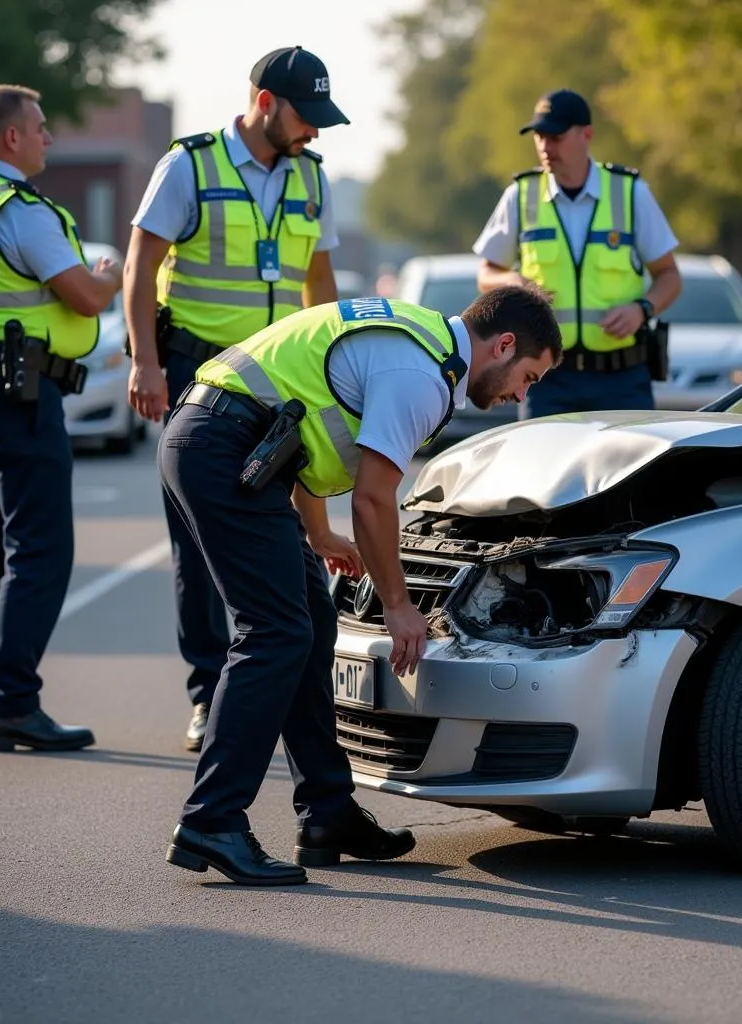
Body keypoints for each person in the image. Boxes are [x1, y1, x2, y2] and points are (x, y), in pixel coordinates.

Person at [160, 286, 561, 885]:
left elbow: (300, 422)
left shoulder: (419, 342)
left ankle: (327, 813)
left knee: (311, 625)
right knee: (274, 633)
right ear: (503, 345)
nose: (520, 395)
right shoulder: (422, 375)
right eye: (528, 376)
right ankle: (211, 820)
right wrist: (399, 606)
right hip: (221, 446)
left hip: (231, 441)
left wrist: (317, 533)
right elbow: (374, 500)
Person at [124, 46, 349, 752]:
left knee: (291, 536)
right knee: (200, 546)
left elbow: (321, 285)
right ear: (264, 104)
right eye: (305, 117)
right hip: (202, 374)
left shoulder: (312, 178)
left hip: (282, 379)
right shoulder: (188, 164)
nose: (314, 132)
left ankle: (279, 693)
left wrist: (338, 366)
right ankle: (206, 693)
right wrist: (146, 362)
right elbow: (141, 264)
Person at [0, 85, 122, 751]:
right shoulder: (20, 209)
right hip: (17, 388)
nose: (50, 138)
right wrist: (107, 273)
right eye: (42, 127)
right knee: (41, 549)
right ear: (11, 140)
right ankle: (15, 704)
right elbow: (82, 296)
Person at [474, 88, 682, 417]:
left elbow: (670, 276)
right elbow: (485, 274)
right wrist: (510, 281)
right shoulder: (520, 196)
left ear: (587, 135)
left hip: (622, 379)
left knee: (632, 469)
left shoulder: (630, 193)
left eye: (555, 136)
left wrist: (642, 309)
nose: (545, 146)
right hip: (545, 380)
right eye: (539, 136)